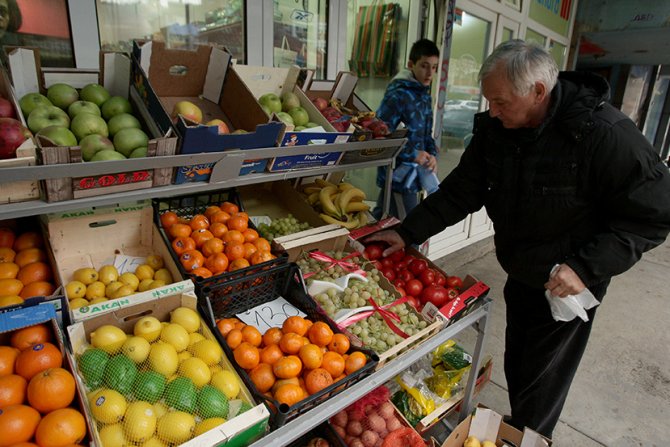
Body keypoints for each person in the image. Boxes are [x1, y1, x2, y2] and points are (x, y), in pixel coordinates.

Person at [367, 39, 670, 438]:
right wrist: (407, 232)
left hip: (567, 286)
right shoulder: (499, 130)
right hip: (523, 270)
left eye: (501, 102)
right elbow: (461, 191)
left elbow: (653, 215)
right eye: (489, 101)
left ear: (538, 92)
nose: (492, 111)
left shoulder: (603, 135)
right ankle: (518, 429)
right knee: (520, 364)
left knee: (543, 381)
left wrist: (585, 267)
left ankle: (528, 437)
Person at [372, 38, 440, 220]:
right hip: (398, 178)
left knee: (381, 220)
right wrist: (413, 154)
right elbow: (381, 133)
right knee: (409, 231)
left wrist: (432, 155)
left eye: (434, 67)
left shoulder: (424, 95)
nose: (429, 73)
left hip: (416, 176)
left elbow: (426, 134)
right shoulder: (397, 95)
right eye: (424, 66)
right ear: (411, 64)